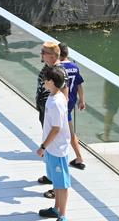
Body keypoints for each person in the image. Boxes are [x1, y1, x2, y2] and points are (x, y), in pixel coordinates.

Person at [36, 65, 71, 220]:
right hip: (52, 149)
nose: (43, 81)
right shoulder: (54, 96)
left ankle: (62, 215)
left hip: (57, 149)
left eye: (45, 79)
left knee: (62, 184)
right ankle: (56, 208)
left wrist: (43, 146)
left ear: (51, 82)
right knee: (57, 182)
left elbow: (56, 128)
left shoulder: (56, 102)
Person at [36, 41, 61, 197]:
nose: (41, 54)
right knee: (49, 147)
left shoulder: (58, 71)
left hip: (52, 114)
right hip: (45, 111)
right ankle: (51, 176)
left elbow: (63, 94)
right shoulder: (49, 67)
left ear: (52, 56)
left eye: (43, 52)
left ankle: (56, 186)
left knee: (53, 148)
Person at [57, 43, 87, 170]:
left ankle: (61, 157)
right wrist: (82, 100)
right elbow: (79, 85)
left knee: (62, 130)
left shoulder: (58, 68)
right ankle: (78, 157)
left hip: (61, 102)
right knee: (69, 129)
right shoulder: (74, 67)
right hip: (71, 102)